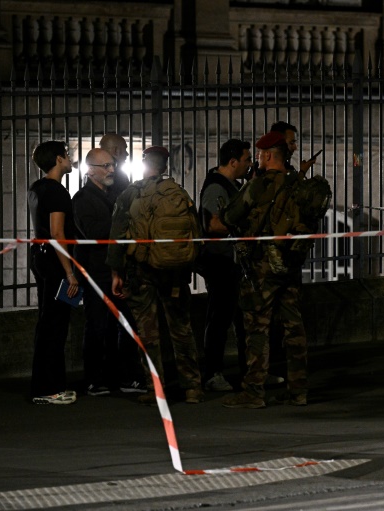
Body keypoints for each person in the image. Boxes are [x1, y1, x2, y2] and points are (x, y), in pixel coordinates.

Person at [107, 146, 205, 405]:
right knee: (181, 329)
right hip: (174, 273)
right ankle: (193, 387)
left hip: (140, 272)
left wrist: (116, 273)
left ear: (144, 164)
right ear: (165, 167)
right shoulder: (179, 194)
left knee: (148, 333)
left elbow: (116, 235)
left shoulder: (130, 195)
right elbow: (195, 233)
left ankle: (156, 389)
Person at [222, 131, 309, 409]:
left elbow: (229, 216)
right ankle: (298, 390)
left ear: (269, 156)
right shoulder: (298, 184)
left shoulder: (258, 186)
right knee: (294, 327)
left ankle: (254, 391)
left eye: (260, 155)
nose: (257, 159)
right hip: (290, 264)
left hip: (262, 266)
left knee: (257, 327)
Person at [72, 148, 146, 396]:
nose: (112, 170)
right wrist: (122, 219)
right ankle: (95, 379)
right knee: (97, 326)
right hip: (97, 272)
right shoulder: (82, 200)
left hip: (119, 269)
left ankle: (125, 377)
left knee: (126, 325)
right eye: (105, 166)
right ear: (90, 170)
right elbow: (92, 232)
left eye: (112, 165)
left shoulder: (116, 195)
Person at [27, 140, 79, 405]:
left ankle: (47, 385)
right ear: (58, 160)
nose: (70, 159)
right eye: (67, 155)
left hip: (40, 258)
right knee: (55, 325)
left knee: (48, 323)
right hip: (56, 264)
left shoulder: (36, 189)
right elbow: (58, 233)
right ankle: (49, 389)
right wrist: (70, 272)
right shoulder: (57, 191)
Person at [198, 139, 252, 392]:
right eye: (246, 160)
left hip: (229, 260)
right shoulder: (216, 188)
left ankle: (250, 372)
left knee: (239, 319)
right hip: (219, 261)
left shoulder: (231, 185)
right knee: (219, 319)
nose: (249, 164)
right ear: (233, 162)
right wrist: (242, 227)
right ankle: (212, 373)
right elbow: (212, 225)